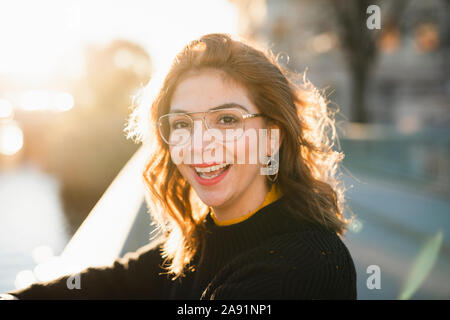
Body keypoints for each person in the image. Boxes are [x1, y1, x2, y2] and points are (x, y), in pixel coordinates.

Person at [3, 33, 356, 300]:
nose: (200, 143)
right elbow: (118, 281)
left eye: (228, 120)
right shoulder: (202, 240)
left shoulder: (310, 265)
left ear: (271, 138)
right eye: (183, 124)